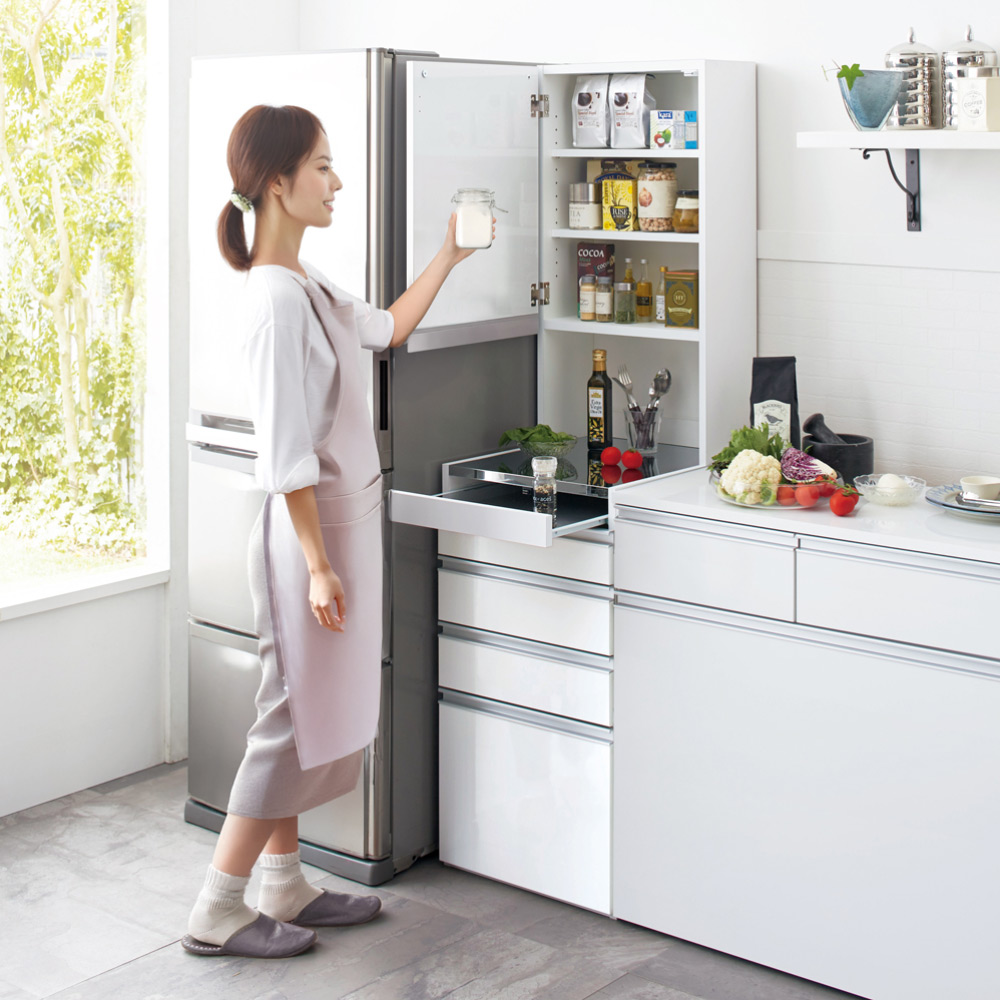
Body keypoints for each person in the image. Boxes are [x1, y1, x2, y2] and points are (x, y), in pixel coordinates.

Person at [182, 105, 488, 959]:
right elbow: (286, 457)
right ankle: (215, 908)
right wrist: (318, 566)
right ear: (279, 184)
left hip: (338, 531)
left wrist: (449, 255)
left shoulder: (306, 283)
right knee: (289, 720)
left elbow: (387, 329)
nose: (338, 181)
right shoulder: (275, 305)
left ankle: (283, 884)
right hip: (307, 544)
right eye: (322, 166)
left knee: (312, 715)